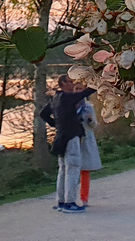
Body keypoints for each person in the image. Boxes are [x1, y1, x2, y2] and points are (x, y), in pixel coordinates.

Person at [39, 75, 95, 213]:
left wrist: (56, 124)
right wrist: (99, 82)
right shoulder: (68, 97)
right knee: (73, 168)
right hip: (71, 135)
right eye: (70, 82)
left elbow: (43, 114)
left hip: (61, 136)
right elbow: (85, 92)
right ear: (63, 83)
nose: (72, 85)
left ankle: (61, 201)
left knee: (63, 169)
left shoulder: (55, 99)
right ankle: (70, 202)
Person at [76, 90, 102, 208]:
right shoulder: (69, 104)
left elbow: (95, 125)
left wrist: (91, 120)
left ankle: (84, 198)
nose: (77, 91)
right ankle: (70, 197)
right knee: (72, 170)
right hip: (74, 139)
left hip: (86, 140)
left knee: (85, 170)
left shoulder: (88, 107)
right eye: (75, 89)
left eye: (79, 89)